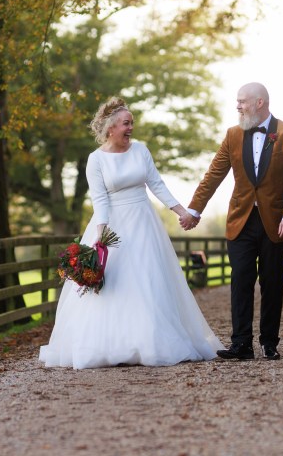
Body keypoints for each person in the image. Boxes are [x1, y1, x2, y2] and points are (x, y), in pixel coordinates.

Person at [39, 97, 223, 369]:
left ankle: (151, 340)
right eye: (126, 123)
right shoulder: (96, 160)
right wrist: (101, 237)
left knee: (149, 279)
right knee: (117, 281)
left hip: (144, 222)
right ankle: (113, 343)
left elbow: (156, 184)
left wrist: (181, 211)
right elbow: (100, 200)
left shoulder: (141, 151)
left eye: (132, 123)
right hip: (113, 225)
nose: (130, 128)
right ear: (111, 127)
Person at [180, 82, 283, 361]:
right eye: (237, 102)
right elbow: (214, 174)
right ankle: (241, 344)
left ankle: (269, 342)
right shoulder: (232, 135)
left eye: (242, 101)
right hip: (241, 220)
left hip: (276, 222)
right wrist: (194, 210)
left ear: (260, 102)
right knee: (240, 279)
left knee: (273, 281)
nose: (237, 106)